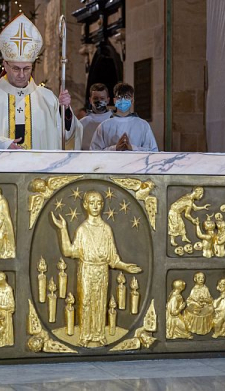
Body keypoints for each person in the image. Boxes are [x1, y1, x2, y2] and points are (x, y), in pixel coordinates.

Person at [0, 13, 82, 150]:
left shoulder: (48, 98)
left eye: (26, 68)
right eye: (16, 68)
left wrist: (66, 110)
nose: (21, 74)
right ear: (5, 65)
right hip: (1, 168)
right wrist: (2, 145)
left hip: (39, 169)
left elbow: (67, 135)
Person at [51, 190, 141, 347]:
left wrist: (125, 266)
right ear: (85, 205)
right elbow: (69, 251)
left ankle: (98, 334)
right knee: (86, 301)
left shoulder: (106, 229)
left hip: (102, 270)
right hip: (87, 269)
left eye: (99, 203)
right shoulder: (82, 229)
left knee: (100, 302)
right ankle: (85, 335)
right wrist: (63, 229)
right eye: (92, 202)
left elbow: (113, 257)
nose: (95, 206)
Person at [90, 82, 158, 151]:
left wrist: (132, 148)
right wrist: (115, 148)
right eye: (119, 97)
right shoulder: (104, 126)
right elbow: (94, 152)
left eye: (126, 97)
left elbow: (153, 152)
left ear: (132, 100)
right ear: (114, 100)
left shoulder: (143, 125)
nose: (123, 100)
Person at [79, 83, 113, 150]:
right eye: (95, 98)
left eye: (102, 98)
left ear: (108, 100)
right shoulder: (83, 122)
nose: (99, 101)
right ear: (90, 100)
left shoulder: (114, 120)